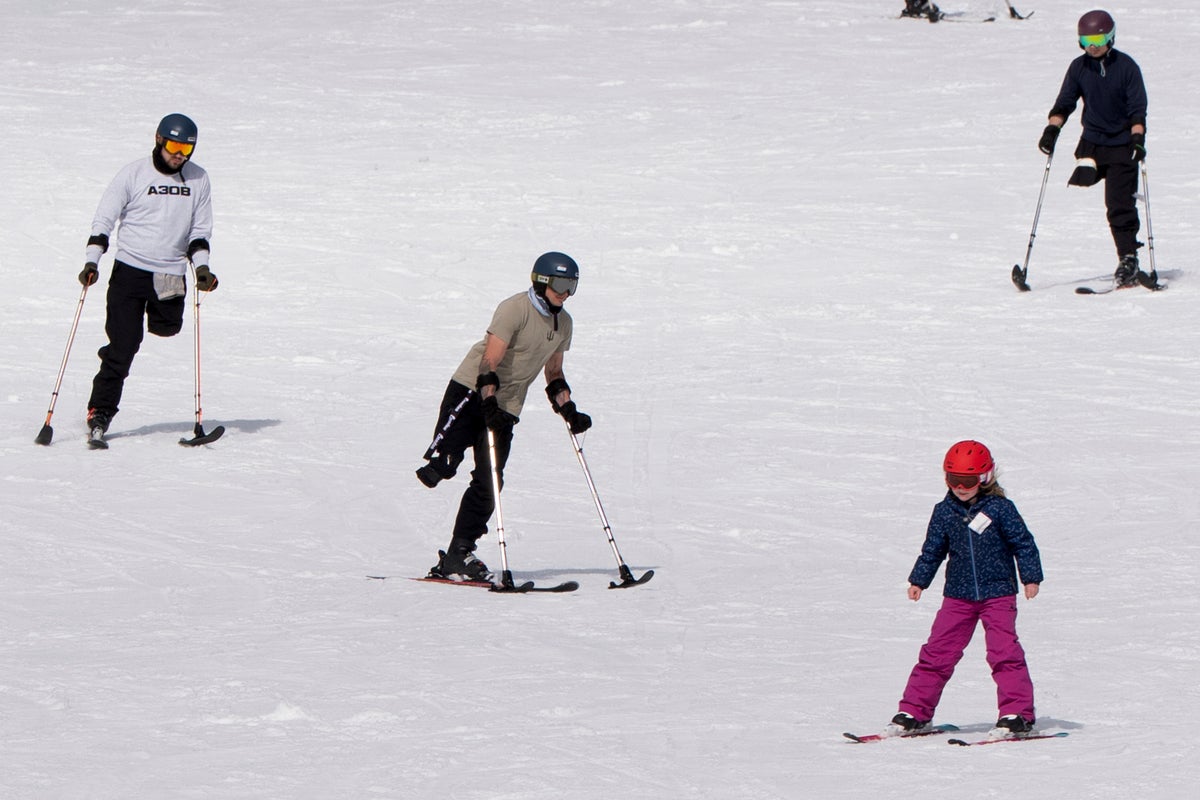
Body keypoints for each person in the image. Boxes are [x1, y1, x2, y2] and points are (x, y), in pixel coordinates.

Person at [416, 252, 592, 582]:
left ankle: (458, 553)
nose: (566, 293)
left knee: (490, 480)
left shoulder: (563, 323)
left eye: (573, 286)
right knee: (444, 463)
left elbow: (554, 372)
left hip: (508, 406)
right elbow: (489, 363)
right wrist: (488, 404)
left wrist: (569, 409)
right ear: (541, 281)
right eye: (561, 284)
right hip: (472, 391)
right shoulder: (515, 309)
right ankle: (443, 460)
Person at [79, 113, 217, 444]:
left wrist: (201, 269)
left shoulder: (198, 179)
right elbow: (105, 218)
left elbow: (200, 230)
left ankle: (157, 320)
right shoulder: (134, 173)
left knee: (168, 327)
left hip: (169, 274)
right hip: (129, 271)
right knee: (124, 345)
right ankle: (100, 411)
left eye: (186, 149)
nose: (178, 155)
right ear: (158, 140)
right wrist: (91, 261)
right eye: (173, 146)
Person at [890, 440, 1044, 737]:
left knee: (1004, 652)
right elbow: (932, 550)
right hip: (958, 595)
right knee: (937, 652)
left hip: (998, 592)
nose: (961, 487)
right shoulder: (944, 511)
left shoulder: (1001, 509)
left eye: (968, 481)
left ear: (985, 478)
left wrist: (1030, 577)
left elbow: (1023, 543)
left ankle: (1017, 715)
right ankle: (915, 712)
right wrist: (918, 580)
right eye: (953, 480)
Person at [1037, 9, 1148, 287]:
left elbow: (1137, 110)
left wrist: (1137, 138)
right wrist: (1052, 129)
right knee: (1081, 180)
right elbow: (1065, 102)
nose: (1093, 46)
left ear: (1110, 36)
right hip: (1092, 143)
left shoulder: (1127, 67)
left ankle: (1128, 258)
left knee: (1118, 204)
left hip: (1122, 145)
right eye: (1087, 40)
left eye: (1098, 38)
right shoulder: (1078, 67)